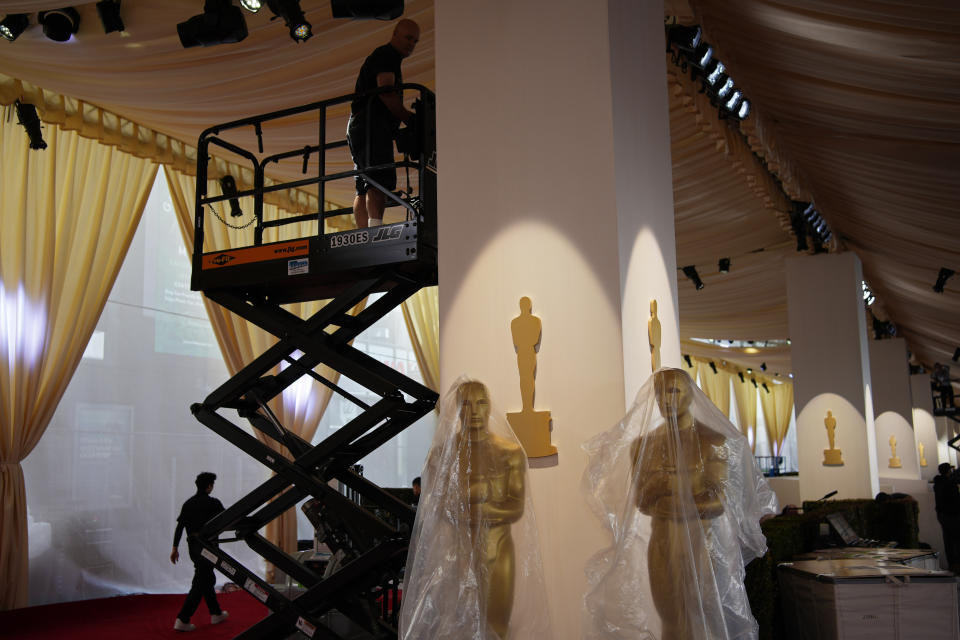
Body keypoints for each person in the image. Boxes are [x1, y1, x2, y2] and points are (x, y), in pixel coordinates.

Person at [583, 368, 777, 640]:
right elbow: (642, 501)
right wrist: (684, 495)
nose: (666, 399)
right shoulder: (643, 446)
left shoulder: (712, 441)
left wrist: (666, 492)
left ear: (690, 396)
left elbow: (716, 502)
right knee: (671, 619)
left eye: (674, 391)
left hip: (701, 544)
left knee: (704, 617)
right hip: (662, 545)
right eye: (661, 392)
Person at [347, 19, 420, 229]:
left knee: (364, 184)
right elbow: (386, 92)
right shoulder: (387, 55)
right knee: (377, 180)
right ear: (395, 34)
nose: (411, 44)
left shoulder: (386, 57)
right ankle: (374, 232)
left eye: (415, 41)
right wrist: (408, 118)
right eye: (408, 38)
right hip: (371, 125)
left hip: (361, 125)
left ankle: (364, 235)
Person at [171, 472, 228, 632]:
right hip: (209, 547)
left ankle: (216, 613)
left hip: (193, 548)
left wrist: (174, 548)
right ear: (209, 486)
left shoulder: (188, 504)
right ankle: (183, 618)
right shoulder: (214, 503)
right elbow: (227, 519)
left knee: (207, 578)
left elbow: (180, 527)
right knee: (200, 582)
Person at [934, 462, 960, 573]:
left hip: (942, 515)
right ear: (948, 471)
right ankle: (957, 564)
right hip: (953, 515)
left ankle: (952, 564)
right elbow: (955, 499)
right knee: (956, 541)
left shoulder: (938, 484)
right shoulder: (950, 483)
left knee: (948, 540)